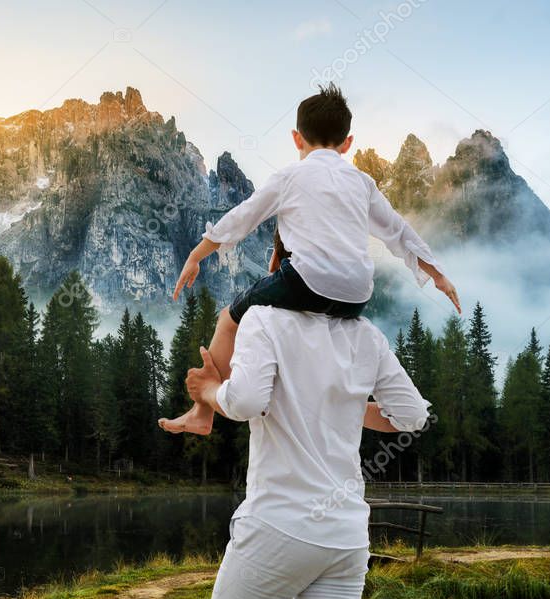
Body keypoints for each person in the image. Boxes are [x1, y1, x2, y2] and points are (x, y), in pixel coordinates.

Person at [158, 83, 458, 436]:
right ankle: (341, 402)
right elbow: (398, 231)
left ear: (296, 138)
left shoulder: (289, 176)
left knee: (228, 319)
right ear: (348, 143)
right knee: (315, 304)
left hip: (307, 281)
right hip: (356, 296)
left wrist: (196, 255)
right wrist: (438, 275)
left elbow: (243, 217)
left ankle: (202, 412)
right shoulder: (362, 182)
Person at [185, 296, 431, 599]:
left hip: (278, 526)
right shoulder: (366, 334)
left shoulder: (263, 318)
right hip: (346, 537)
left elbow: (245, 402)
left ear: (278, 259)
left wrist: (207, 390)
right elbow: (412, 415)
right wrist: (340, 405)